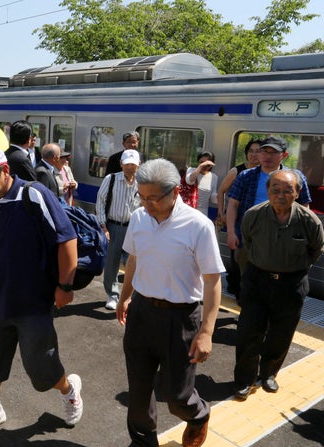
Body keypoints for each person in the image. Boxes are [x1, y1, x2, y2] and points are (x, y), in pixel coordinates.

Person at [0, 145, 83, 428]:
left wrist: (65, 285)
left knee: (42, 368)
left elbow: (66, 239)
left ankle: (69, 391)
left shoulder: (33, 194)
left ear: (5, 171)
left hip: (34, 303)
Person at [116, 158, 225, 447]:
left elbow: (213, 280)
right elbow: (134, 259)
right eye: (141, 196)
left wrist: (206, 332)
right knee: (138, 391)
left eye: (153, 198)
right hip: (141, 313)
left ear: (175, 191)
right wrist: (125, 297)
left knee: (176, 397)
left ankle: (198, 414)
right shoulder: (139, 218)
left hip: (180, 318)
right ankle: (142, 440)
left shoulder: (198, 225)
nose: (146, 203)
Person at [233, 169, 324, 400]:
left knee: (281, 334)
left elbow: (316, 249)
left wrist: (293, 269)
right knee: (248, 332)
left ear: (298, 193)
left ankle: (269, 374)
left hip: (291, 285)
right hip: (257, 282)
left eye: (287, 190)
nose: (281, 195)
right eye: (275, 190)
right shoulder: (253, 215)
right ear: (268, 191)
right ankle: (245, 379)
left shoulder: (309, 221)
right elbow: (248, 245)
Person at [226, 136, 311, 280]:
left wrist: (302, 235)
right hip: (249, 236)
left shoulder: (295, 177)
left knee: (276, 280)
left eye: (273, 152)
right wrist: (231, 232)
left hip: (283, 237)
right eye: (264, 151)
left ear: (284, 155)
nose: (267, 156)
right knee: (246, 278)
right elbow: (233, 204)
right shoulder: (246, 176)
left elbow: (304, 207)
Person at [96, 149, 141, 310]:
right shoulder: (112, 179)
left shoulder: (142, 182)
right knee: (111, 264)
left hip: (133, 228)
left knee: (134, 264)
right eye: (127, 164)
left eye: (133, 164)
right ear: (121, 164)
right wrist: (103, 225)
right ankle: (112, 295)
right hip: (113, 226)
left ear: (139, 165)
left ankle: (130, 297)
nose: (130, 167)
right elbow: (100, 201)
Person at [216, 139, 260, 296]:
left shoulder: (265, 173)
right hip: (237, 220)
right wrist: (221, 212)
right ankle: (234, 287)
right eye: (251, 151)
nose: (254, 155)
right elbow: (221, 191)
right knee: (236, 255)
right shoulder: (237, 171)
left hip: (257, 223)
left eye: (257, 151)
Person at [184, 151, 218, 216]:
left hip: (203, 213)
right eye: (201, 162)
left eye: (207, 164)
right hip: (188, 210)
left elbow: (213, 199)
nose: (204, 166)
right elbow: (190, 181)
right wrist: (200, 166)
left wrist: (221, 196)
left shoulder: (214, 177)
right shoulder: (191, 170)